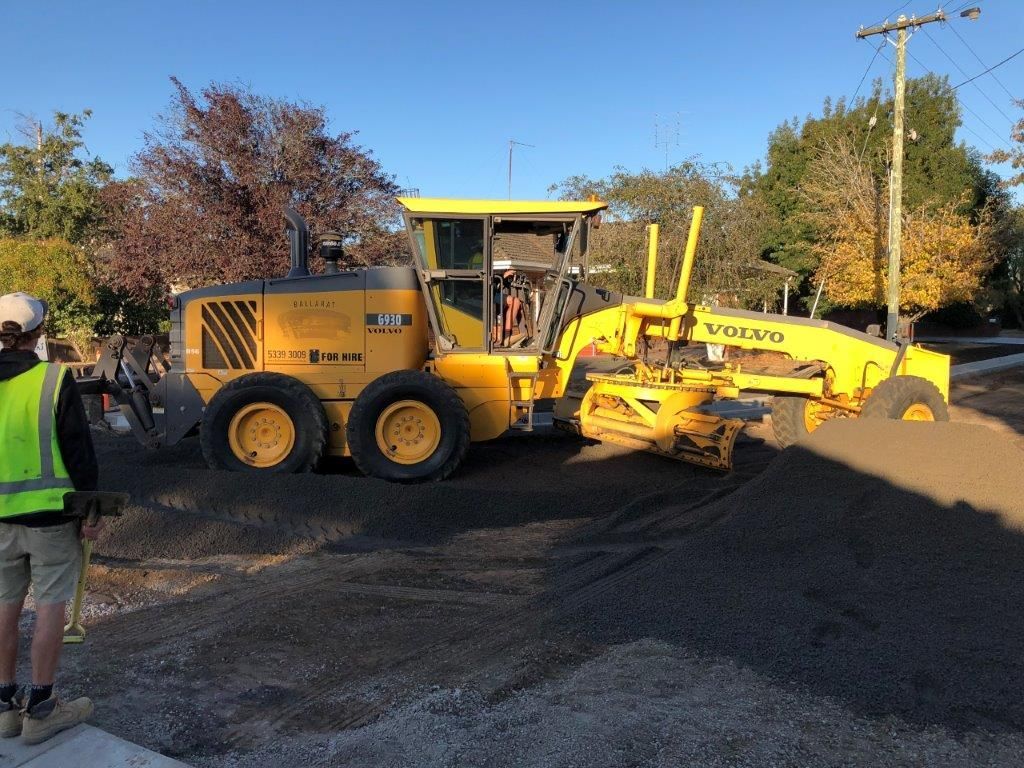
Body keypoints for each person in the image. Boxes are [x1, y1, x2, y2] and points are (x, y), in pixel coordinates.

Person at [0, 292, 101, 745]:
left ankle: (4, 706)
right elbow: (79, 452)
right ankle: (41, 707)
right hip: (50, 518)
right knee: (50, 605)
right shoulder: (54, 380)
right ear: (39, 334)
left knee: (4, 605)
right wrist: (91, 511)